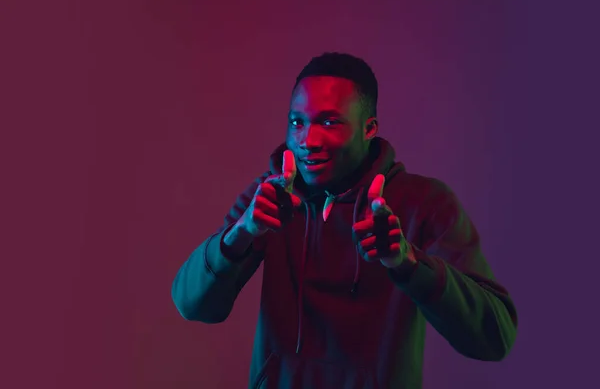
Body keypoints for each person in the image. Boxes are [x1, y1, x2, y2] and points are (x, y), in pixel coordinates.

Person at [171, 52, 518, 389]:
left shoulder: (424, 203)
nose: (307, 141)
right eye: (297, 122)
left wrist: (407, 262)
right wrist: (241, 234)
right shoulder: (272, 195)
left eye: (328, 122)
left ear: (369, 128)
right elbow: (192, 305)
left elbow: (494, 339)